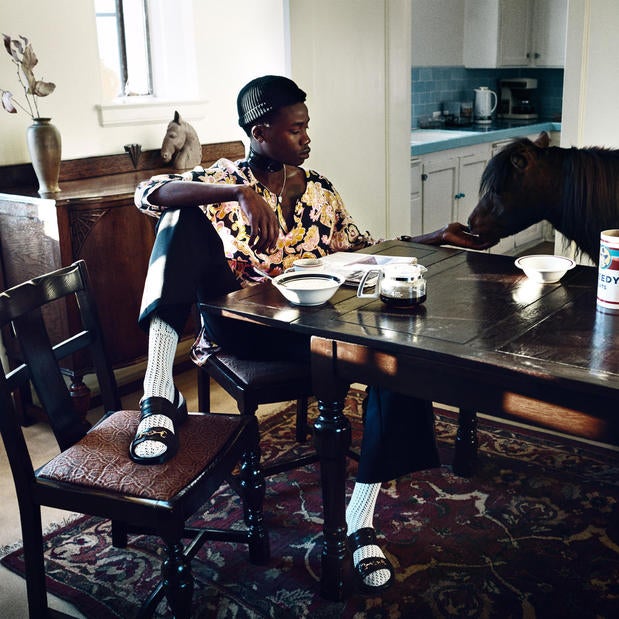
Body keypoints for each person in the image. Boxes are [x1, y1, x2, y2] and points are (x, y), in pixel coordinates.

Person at [130, 75, 492, 593]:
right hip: (242, 328)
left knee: (401, 352)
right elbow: (148, 193)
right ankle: (158, 392)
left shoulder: (320, 190)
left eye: (306, 126)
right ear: (260, 132)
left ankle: (360, 519)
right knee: (178, 219)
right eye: (295, 128)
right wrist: (239, 194)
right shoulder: (222, 178)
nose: (306, 137)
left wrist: (436, 237)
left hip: (313, 329)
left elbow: (366, 248)